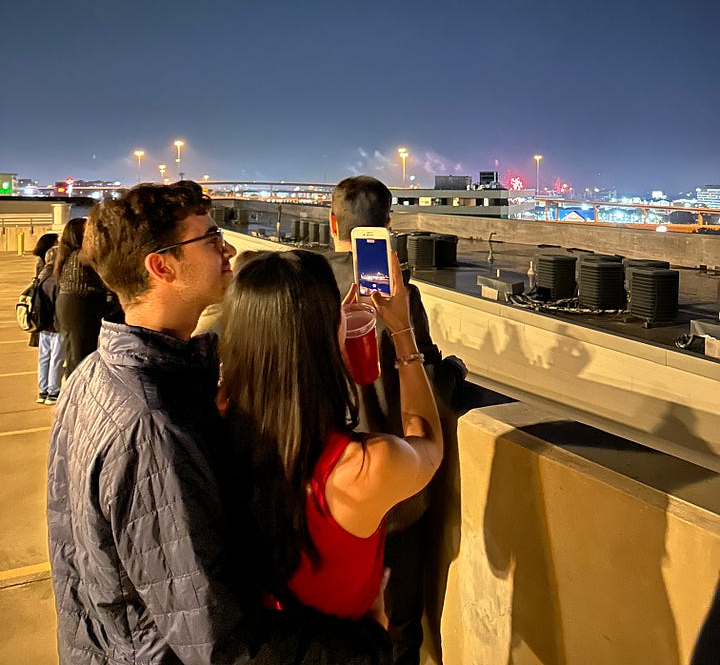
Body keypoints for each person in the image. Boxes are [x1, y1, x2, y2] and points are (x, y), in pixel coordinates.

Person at [47, 181, 389, 665]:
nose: (228, 248)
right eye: (209, 240)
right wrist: (368, 644)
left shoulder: (93, 376)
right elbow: (218, 643)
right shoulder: (152, 424)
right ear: (160, 266)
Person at [219, 248, 443, 622]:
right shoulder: (365, 467)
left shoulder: (209, 436)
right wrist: (402, 333)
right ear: (326, 339)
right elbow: (428, 442)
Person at [325, 175, 466, 665]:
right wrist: (449, 370)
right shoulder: (397, 296)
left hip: (334, 488)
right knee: (402, 631)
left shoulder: (314, 285)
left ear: (332, 224)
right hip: (399, 494)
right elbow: (424, 382)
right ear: (388, 226)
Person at [54, 217, 107, 376]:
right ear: (79, 234)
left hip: (69, 303)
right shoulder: (82, 255)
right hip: (80, 305)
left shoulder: (65, 255)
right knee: (81, 354)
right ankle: (76, 393)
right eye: (88, 230)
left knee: (74, 352)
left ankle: (73, 389)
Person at [36, 243, 64, 405]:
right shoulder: (57, 280)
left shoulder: (42, 277)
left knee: (44, 357)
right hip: (56, 325)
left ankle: (43, 390)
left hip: (43, 325)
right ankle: (53, 391)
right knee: (57, 359)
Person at [27, 232, 58, 349]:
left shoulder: (44, 260)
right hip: (44, 300)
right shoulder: (45, 263)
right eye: (56, 242)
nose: (58, 244)